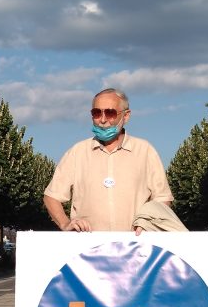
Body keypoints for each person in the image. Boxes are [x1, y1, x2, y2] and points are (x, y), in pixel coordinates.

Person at [44, 88, 172, 232]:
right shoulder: (77, 152)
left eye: (110, 113)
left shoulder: (145, 151)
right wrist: (65, 223)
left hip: (135, 246)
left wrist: (149, 223)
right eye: (97, 113)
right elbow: (51, 196)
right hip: (88, 248)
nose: (103, 120)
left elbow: (162, 198)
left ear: (126, 116)